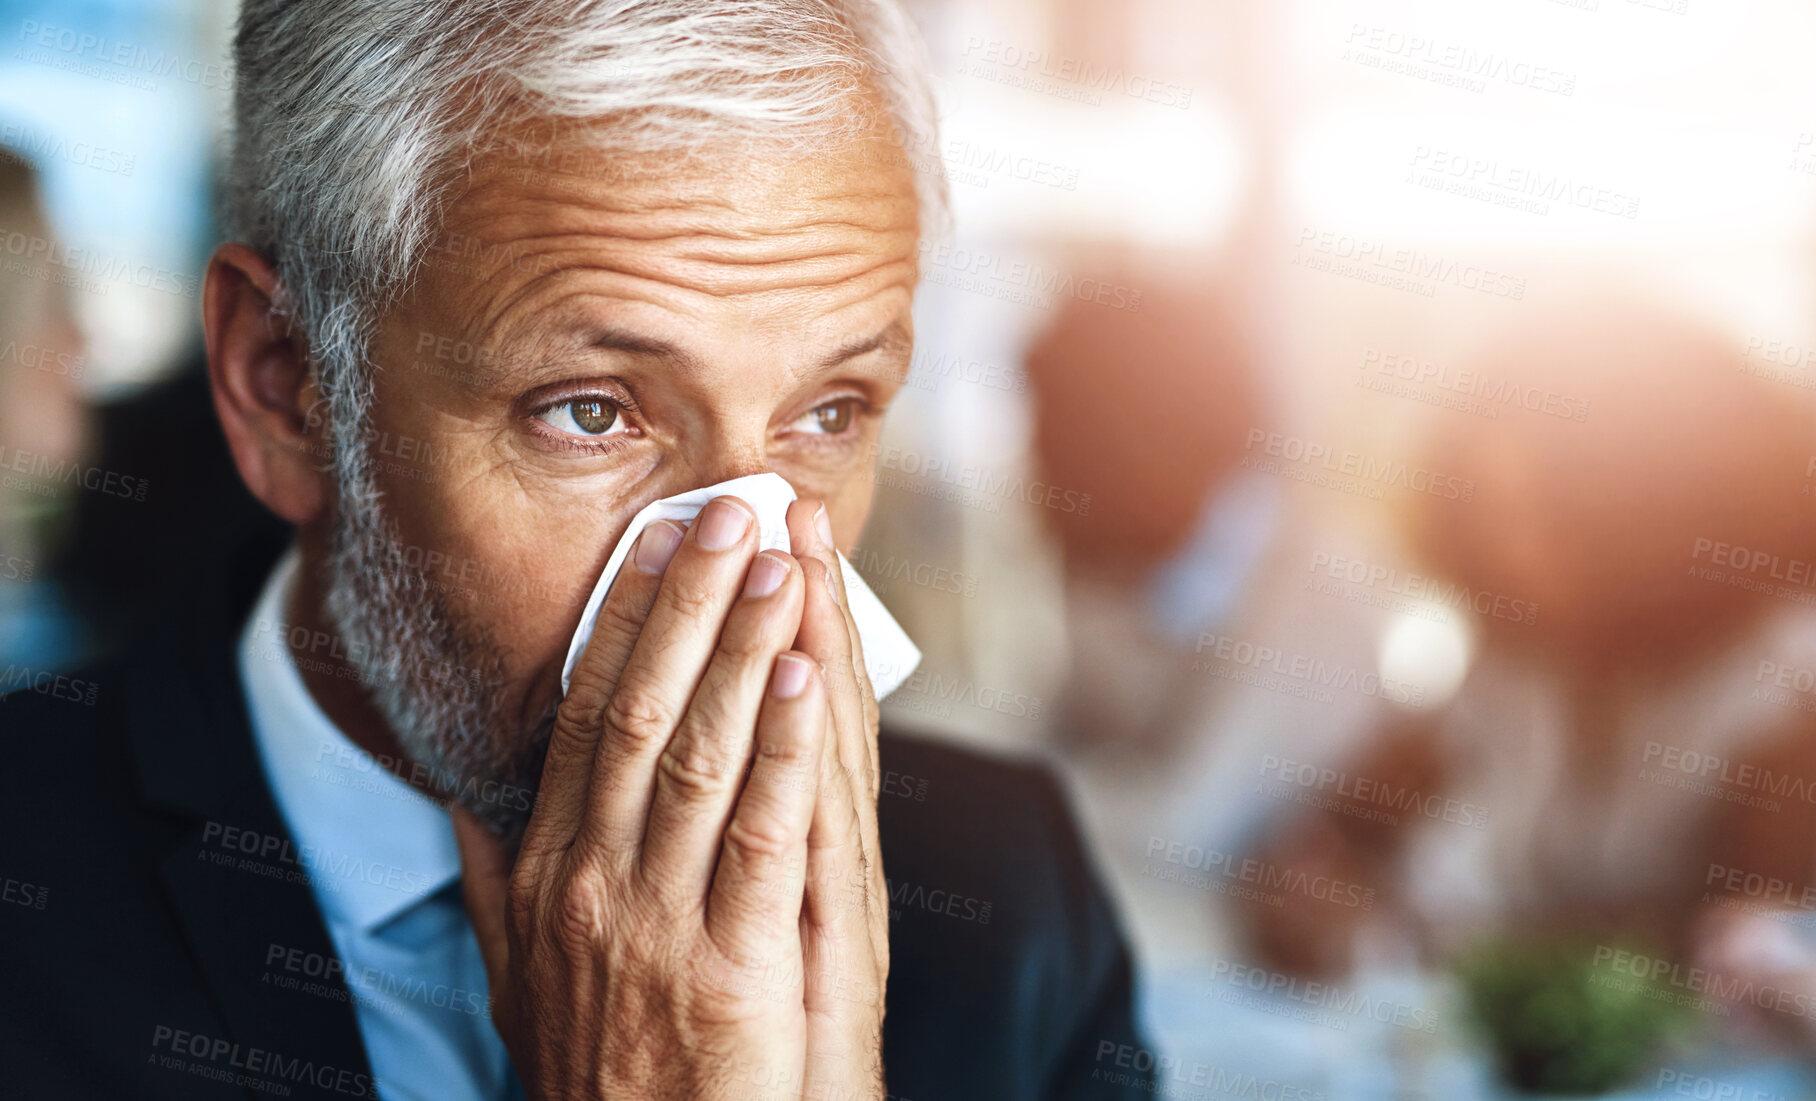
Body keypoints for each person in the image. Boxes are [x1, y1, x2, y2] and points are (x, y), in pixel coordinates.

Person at [0, 2, 1147, 1098]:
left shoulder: (1009, 909)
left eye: (828, 414)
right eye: (590, 412)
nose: (748, 571)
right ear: (286, 389)